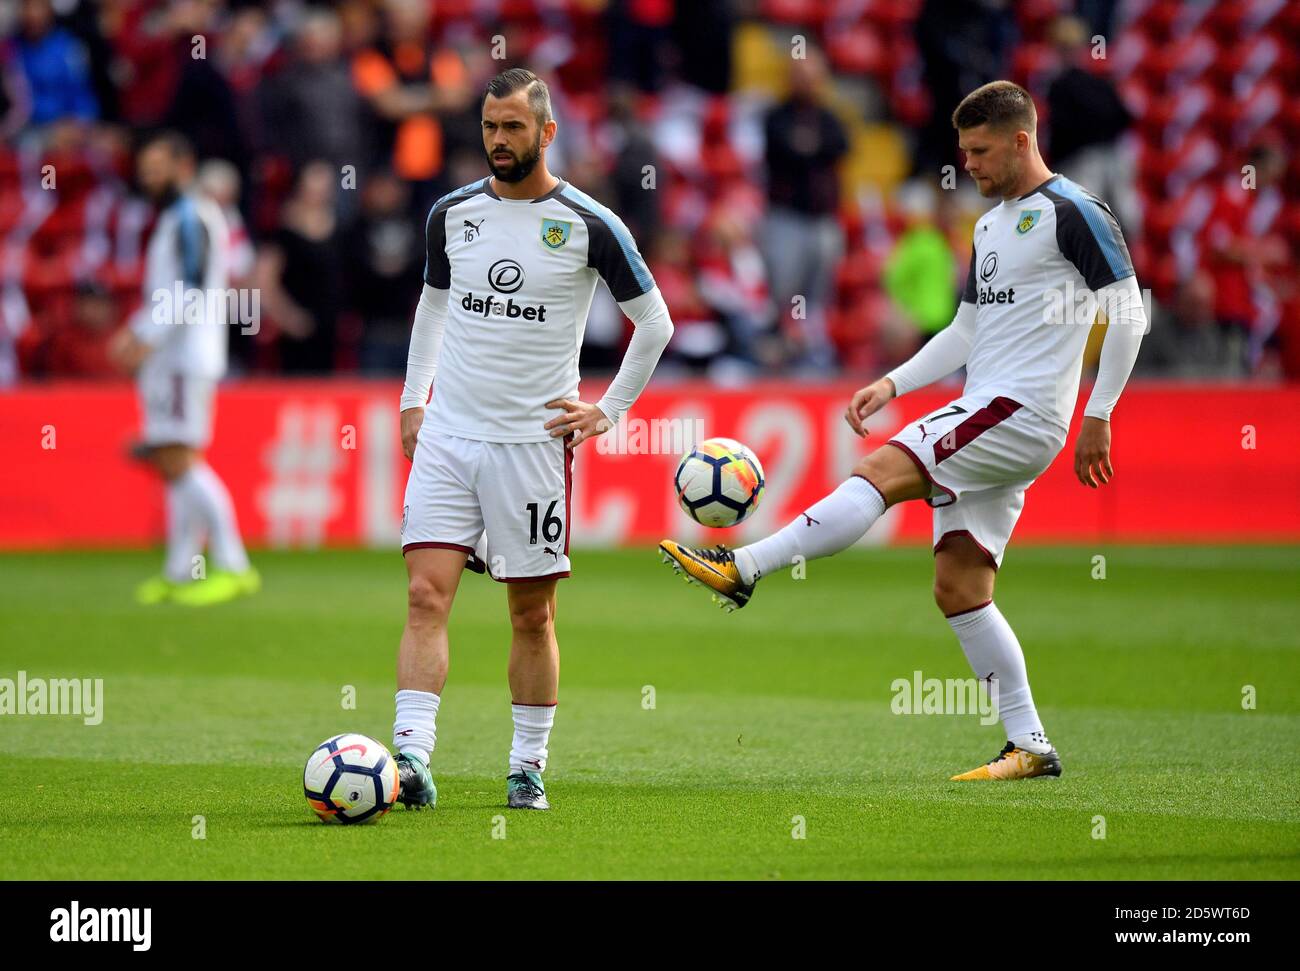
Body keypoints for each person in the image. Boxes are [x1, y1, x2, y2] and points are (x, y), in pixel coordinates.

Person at [660, 81, 1147, 782]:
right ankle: (1030, 743)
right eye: (963, 152)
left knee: (880, 472)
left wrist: (1099, 412)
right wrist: (894, 382)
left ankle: (746, 567)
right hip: (993, 405)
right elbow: (966, 330)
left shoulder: (1073, 211)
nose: (968, 167)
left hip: (1022, 408)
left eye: (980, 152)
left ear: (1020, 140)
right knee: (960, 586)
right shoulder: (987, 227)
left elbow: (1127, 309)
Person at [393, 69, 673, 811]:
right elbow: (433, 306)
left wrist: (607, 409)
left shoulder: (589, 223)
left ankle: (526, 764)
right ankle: (411, 757)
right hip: (450, 433)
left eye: (513, 127)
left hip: (531, 444)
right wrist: (412, 400)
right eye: (490, 126)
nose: (498, 140)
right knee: (425, 596)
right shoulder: (451, 213)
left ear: (547, 134)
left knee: (531, 614)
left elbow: (656, 323)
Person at [108, 131, 258, 607]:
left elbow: (189, 289)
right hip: (178, 353)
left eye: (158, 167)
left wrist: (141, 336)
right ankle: (179, 570)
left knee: (177, 459)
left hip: (180, 355)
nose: (148, 176)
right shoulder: (180, 216)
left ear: (183, 165)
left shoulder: (191, 215)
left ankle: (234, 565)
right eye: (145, 168)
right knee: (173, 462)